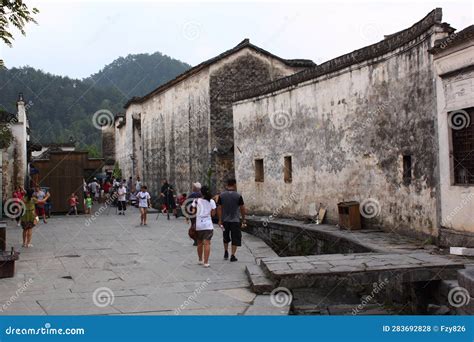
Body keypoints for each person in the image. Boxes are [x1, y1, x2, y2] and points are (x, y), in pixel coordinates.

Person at [217, 179, 246, 262]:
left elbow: (219, 208)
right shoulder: (238, 196)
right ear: (234, 184)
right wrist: (244, 219)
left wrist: (219, 220)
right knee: (235, 237)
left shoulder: (221, 195)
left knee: (225, 236)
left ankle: (226, 251)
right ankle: (232, 255)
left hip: (225, 221)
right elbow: (242, 208)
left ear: (227, 184)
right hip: (235, 220)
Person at [191, 186, 216, 268]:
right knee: (207, 243)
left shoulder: (196, 201)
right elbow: (213, 214)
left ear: (201, 192)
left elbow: (193, 212)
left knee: (199, 243)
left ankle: (200, 260)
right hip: (208, 224)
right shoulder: (212, 201)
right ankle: (206, 262)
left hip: (199, 225)